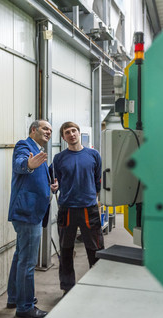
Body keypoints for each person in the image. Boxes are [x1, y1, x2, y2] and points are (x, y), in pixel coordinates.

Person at [7, 120, 58, 318]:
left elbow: (35, 181)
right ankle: (25, 307)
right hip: (27, 213)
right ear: (33, 130)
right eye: (45, 128)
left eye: (51, 130)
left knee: (20, 257)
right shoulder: (24, 145)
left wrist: (50, 188)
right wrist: (28, 164)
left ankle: (14, 297)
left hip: (30, 212)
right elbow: (20, 164)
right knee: (27, 263)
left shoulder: (38, 151)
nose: (48, 132)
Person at [52, 121, 104, 295]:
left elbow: (98, 180)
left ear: (79, 133)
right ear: (63, 137)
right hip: (67, 209)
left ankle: (97, 285)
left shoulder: (93, 155)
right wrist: (54, 186)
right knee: (66, 250)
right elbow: (55, 180)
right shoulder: (59, 158)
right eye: (67, 132)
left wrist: (93, 197)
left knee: (95, 249)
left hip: (89, 209)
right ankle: (67, 288)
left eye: (74, 130)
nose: (71, 134)